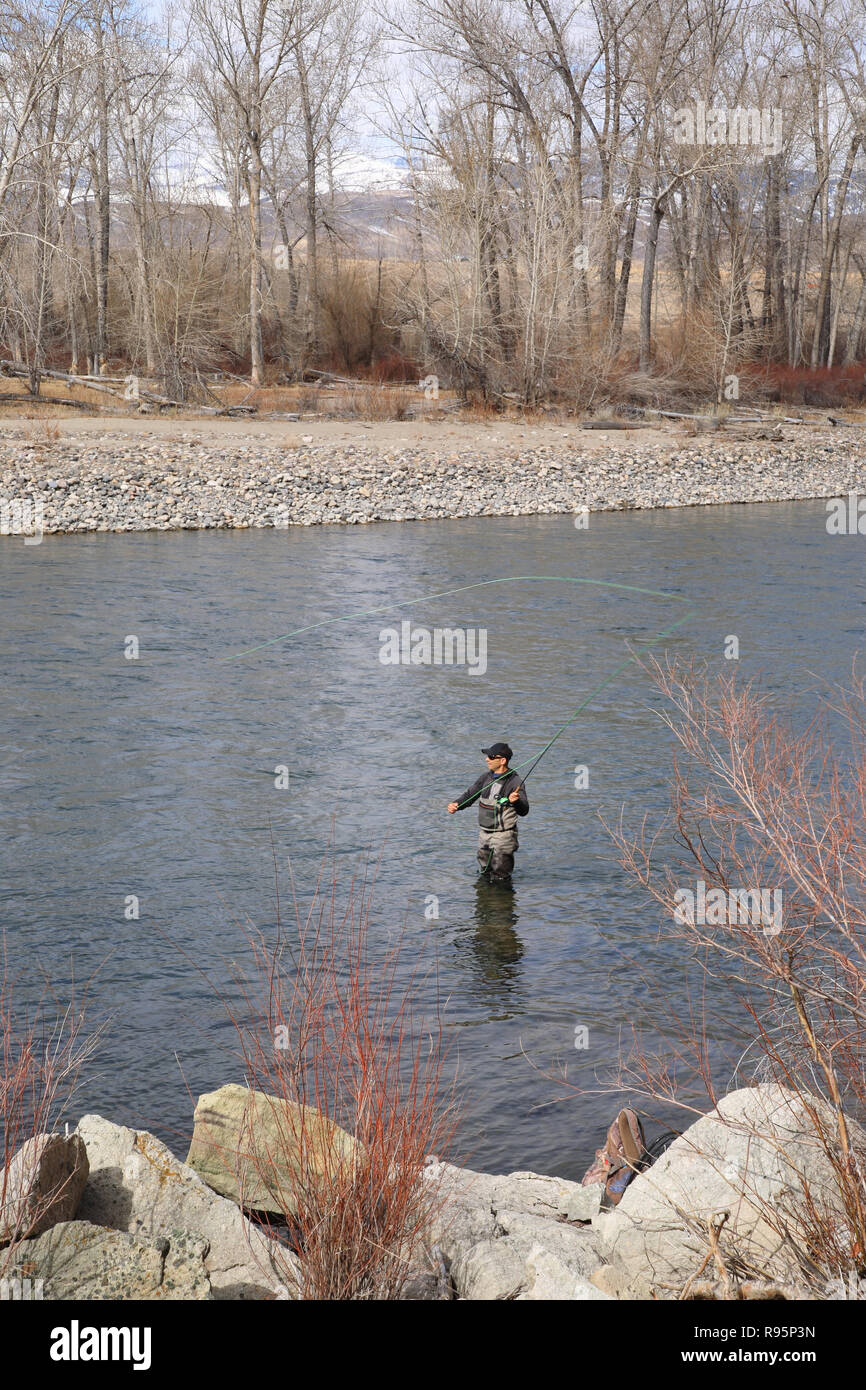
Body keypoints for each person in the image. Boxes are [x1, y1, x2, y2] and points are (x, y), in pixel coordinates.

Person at [448, 742, 529, 880]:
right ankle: (485, 900)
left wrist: (515, 801)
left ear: (502, 760)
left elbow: (524, 810)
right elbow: (470, 795)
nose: (487, 759)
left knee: (501, 877)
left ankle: (502, 899)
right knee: (485, 873)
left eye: (491, 757)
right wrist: (457, 804)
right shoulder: (485, 778)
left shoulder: (515, 782)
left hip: (504, 836)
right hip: (484, 834)